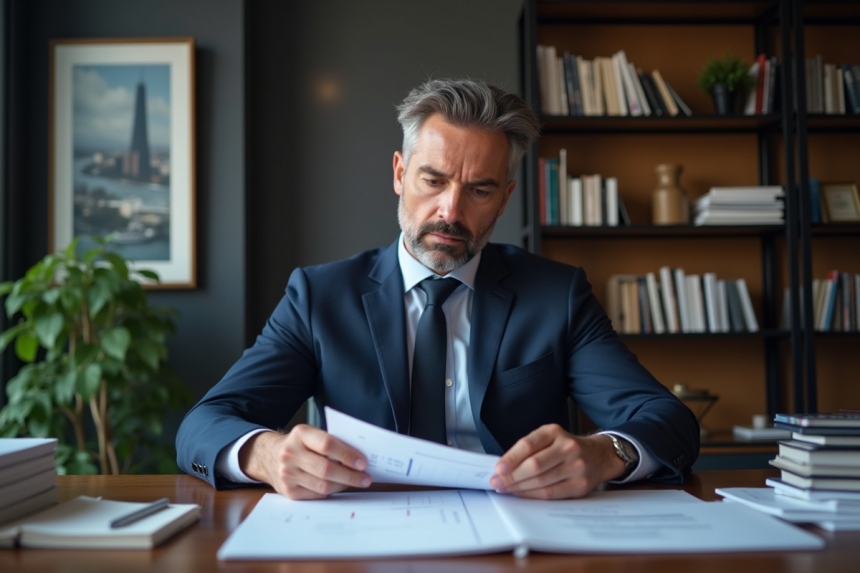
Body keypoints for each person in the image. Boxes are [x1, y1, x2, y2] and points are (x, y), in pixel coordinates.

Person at [176, 78, 699, 501]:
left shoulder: (556, 295)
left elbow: (668, 419)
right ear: (400, 174)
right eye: (434, 180)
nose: (451, 211)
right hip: (363, 531)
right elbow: (204, 424)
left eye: (479, 190)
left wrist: (606, 454)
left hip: (520, 536)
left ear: (504, 198)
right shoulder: (319, 297)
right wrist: (263, 453)